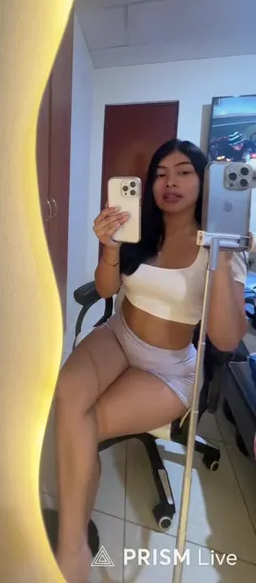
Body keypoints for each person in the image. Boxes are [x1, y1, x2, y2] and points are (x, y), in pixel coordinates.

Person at [55, 139, 248, 583]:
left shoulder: (220, 247)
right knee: (66, 397)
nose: (170, 182)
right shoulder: (139, 229)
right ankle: (73, 535)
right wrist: (108, 247)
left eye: (184, 172)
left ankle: (72, 550)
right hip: (118, 337)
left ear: (204, 181)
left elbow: (225, 337)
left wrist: (221, 258)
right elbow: (107, 290)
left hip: (169, 368)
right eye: (161, 173)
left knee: (85, 424)